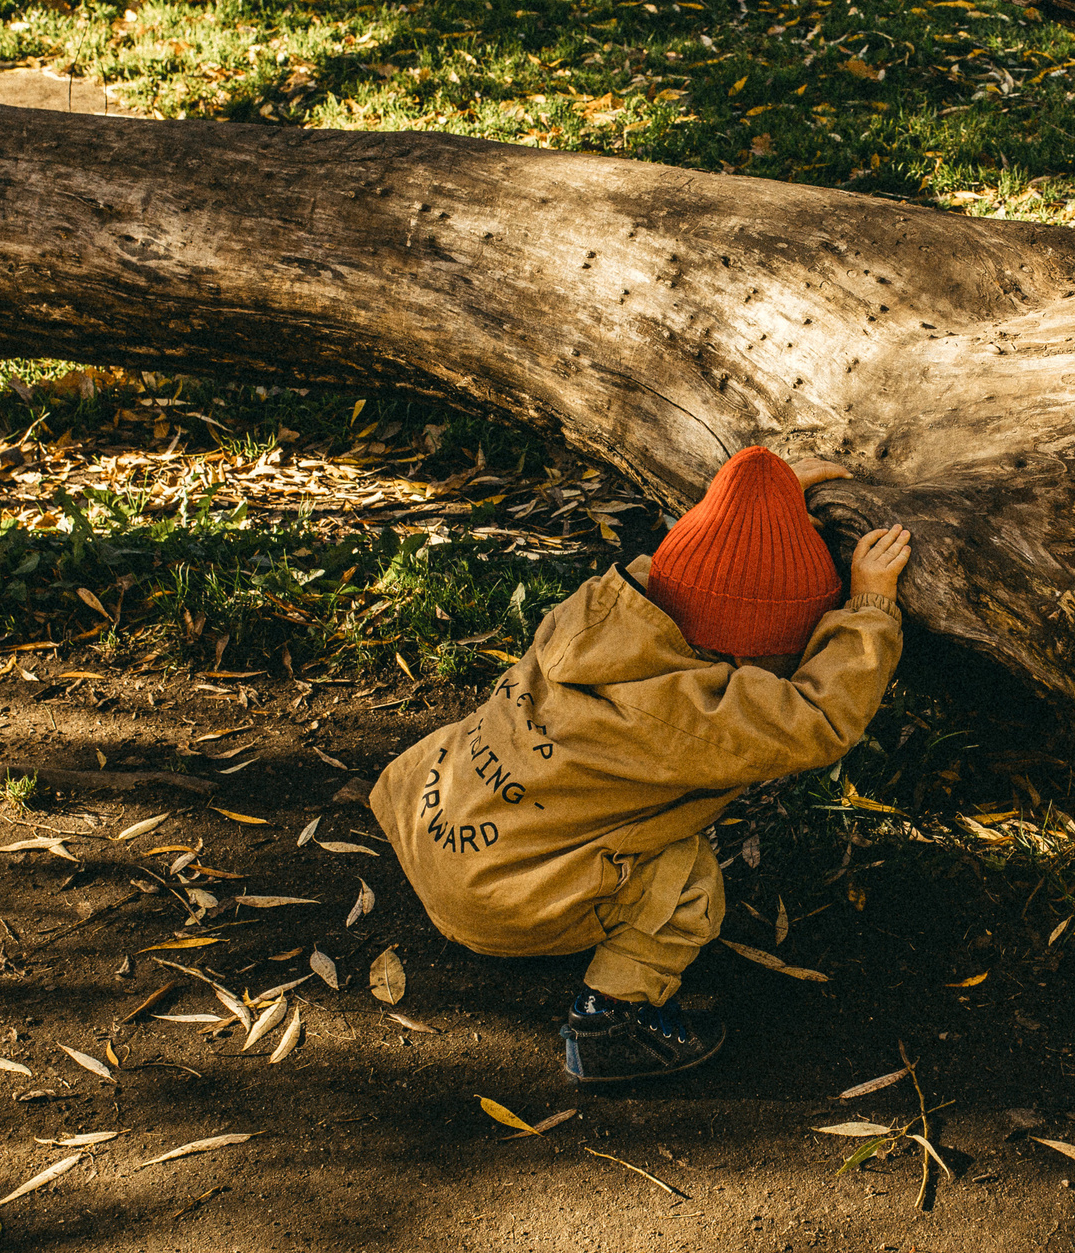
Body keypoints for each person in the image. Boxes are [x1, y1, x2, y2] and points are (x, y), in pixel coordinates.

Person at [370, 447, 911, 1083]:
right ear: (746, 656)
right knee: (686, 882)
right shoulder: (693, 717)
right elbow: (815, 718)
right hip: (494, 903)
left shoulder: (603, 610)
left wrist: (764, 511)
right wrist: (870, 607)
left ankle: (520, 899)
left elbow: (698, 568)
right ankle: (609, 1023)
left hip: (425, 822)